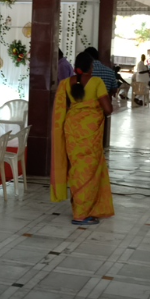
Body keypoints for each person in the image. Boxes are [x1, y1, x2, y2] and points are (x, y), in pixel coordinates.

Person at [51, 52, 115, 225]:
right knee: (89, 171)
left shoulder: (65, 83)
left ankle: (79, 205)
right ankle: (81, 213)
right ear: (91, 67)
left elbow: (61, 109)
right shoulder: (96, 82)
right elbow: (108, 109)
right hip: (90, 132)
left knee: (77, 168)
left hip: (71, 129)